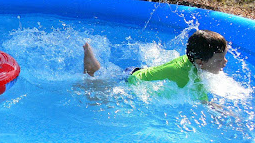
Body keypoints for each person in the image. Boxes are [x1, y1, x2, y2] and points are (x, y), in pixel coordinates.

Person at [83, 30, 228, 103]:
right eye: (219, 60)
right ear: (200, 62)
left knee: (108, 78)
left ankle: (94, 68)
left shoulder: (190, 60)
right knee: (94, 97)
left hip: (137, 71)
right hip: (132, 80)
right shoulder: (191, 79)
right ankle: (92, 70)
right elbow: (206, 105)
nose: (225, 62)